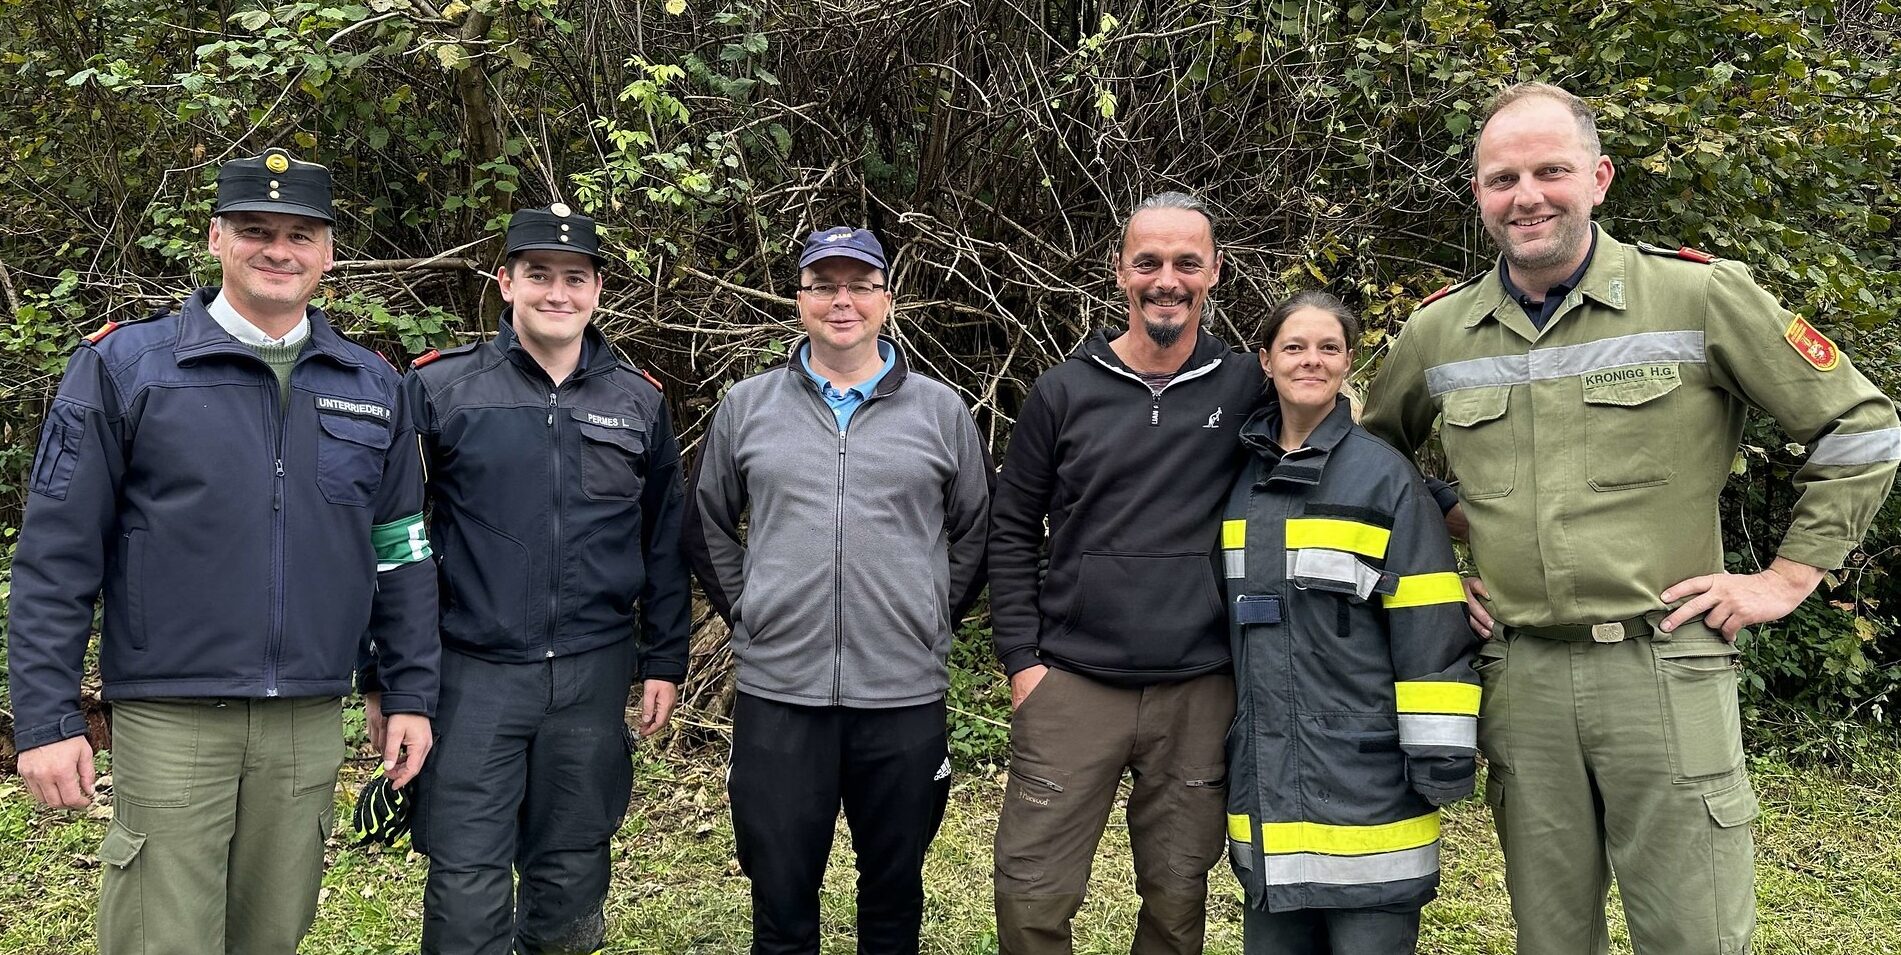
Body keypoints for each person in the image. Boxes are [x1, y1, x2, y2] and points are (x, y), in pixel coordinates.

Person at [1362, 82, 1901, 955]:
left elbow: (1861, 424)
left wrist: (1789, 576)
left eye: (1551, 170)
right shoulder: (1439, 333)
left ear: (1599, 177)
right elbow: (1367, 470)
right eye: (1502, 178)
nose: (1525, 195)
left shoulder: (1697, 297)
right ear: (1478, 195)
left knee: (1692, 936)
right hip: (1520, 675)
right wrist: (1434, 562)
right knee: (1550, 938)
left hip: (1664, 664)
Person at [7, 148, 439, 954]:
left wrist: (405, 689)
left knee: (272, 934)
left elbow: (399, 550)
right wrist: (45, 716)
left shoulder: (373, 385)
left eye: (300, 234)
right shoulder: (124, 368)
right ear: (215, 238)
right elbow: (55, 556)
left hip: (308, 717)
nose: (278, 249)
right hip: (172, 714)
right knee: (159, 938)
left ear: (329, 253)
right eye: (255, 230)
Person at [683, 226, 991, 955]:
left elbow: (978, 530)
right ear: (800, 300)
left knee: (893, 891)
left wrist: (926, 614)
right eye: (823, 285)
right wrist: (752, 611)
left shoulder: (940, 411)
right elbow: (703, 525)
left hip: (902, 694)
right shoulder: (746, 406)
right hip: (779, 694)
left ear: (886, 300)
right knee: (781, 894)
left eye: (858, 285)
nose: (841, 300)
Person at [396, 204, 692, 955]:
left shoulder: (638, 400)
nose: (556, 293)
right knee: (466, 879)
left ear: (596, 291)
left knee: (571, 868)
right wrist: (391, 678)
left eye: (574, 278)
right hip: (475, 672)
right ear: (506, 282)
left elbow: (663, 540)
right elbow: (395, 539)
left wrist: (663, 658)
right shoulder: (441, 389)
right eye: (538, 275)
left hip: (593, 672)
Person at [987, 191, 1265, 954]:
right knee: (1029, 892)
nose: (1165, 279)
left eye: (1185, 262)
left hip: (1198, 686)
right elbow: (1010, 528)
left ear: (1214, 271)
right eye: (1147, 261)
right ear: (1118, 273)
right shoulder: (1062, 391)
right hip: (1072, 681)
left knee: (1178, 896)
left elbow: (1338, 454)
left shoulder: (1249, 386)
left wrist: (1440, 529)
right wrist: (1021, 661)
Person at [1222, 292, 1476, 954]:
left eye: (1328, 347)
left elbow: (1430, 633)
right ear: (1265, 361)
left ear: (1347, 363)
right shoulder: (1235, 481)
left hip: (1372, 805)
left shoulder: (1386, 478)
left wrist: (1439, 762)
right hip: (1270, 811)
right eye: (1294, 346)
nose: (1311, 359)